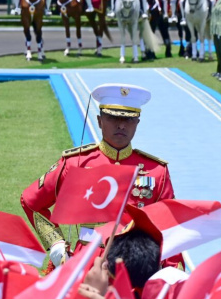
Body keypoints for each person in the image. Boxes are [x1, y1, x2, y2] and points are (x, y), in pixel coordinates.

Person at [20, 84, 173, 268]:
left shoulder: (156, 170)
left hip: (136, 268)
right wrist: (56, 244)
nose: (121, 125)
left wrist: (170, 271)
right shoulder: (76, 162)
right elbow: (32, 202)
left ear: (137, 123)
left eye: (129, 120)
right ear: (100, 121)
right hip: (85, 263)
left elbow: (171, 226)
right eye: (113, 117)